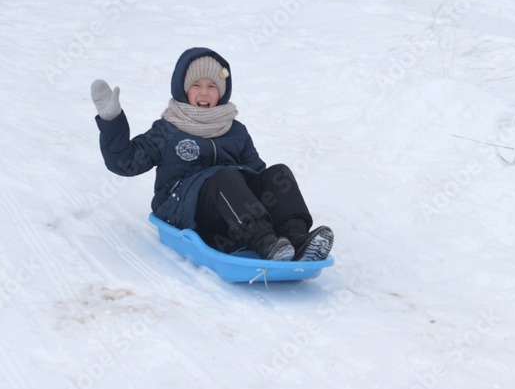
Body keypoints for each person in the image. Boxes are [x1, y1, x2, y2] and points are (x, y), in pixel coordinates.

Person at [91, 47, 333, 262]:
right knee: (224, 176)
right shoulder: (167, 130)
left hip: (233, 218)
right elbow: (124, 162)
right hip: (188, 214)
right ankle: (266, 243)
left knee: (278, 173)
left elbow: (258, 176)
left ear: (222, 91)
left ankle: (297, 240)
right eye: (196, 86)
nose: (204, 94)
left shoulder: (234, 130)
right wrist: (112, 120)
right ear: (184, 89)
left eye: (212, 86)